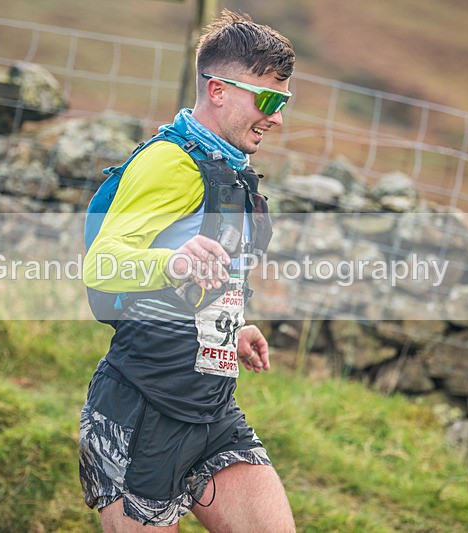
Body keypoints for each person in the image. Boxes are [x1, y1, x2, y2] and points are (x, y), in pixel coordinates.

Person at [79, 9, 296, 532]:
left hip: (212, 412)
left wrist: (230, 326)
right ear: (218, 89)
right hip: (140, 413)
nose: (278, 118)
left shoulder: (228, 169)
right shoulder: (169, 163)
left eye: (283, 101)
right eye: (267, 99)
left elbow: (202, 273)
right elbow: (102, 264)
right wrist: (171, 261)